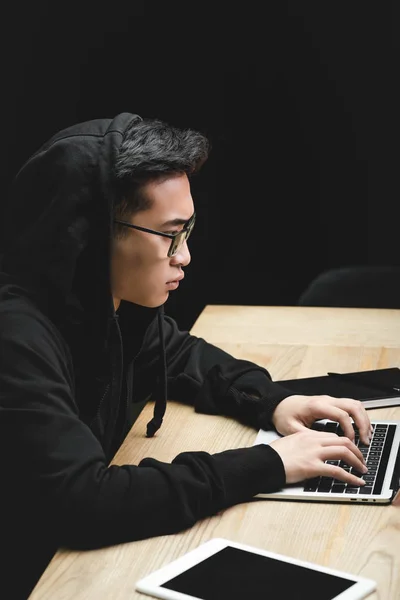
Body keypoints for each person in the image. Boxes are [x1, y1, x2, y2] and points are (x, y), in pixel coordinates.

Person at [0, 112, 372, 598]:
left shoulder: (97, 302)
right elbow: (83, 501)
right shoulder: (17, 337)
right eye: (170, 234)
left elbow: (175, 355)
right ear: (88, 234)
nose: (185, 256)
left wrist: (272, 401)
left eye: (189, 230)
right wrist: (267, 464)